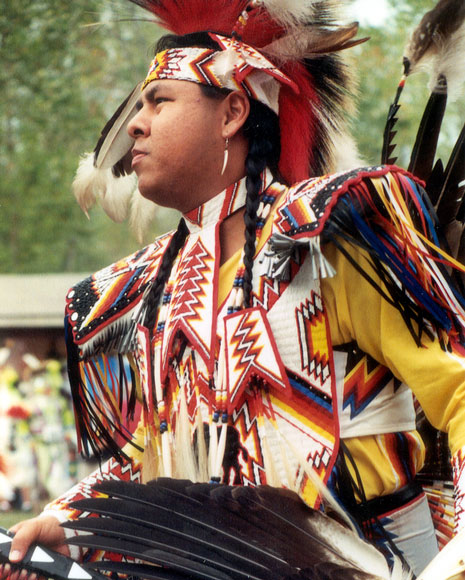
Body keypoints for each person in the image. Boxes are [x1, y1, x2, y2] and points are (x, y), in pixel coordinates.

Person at [3, 0, 465, 577]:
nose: (135, 124)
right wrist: (70, 522)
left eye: (158, 101)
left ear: (233, 113)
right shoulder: (153, 288)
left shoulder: (324, 241)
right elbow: (152, 451)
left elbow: (458, 389)